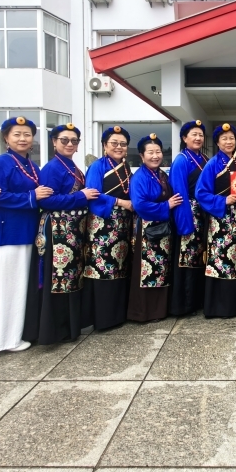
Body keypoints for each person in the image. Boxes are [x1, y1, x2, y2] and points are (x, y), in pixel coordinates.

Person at [0, 116, 52, 353]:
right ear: (6, 138)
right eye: (17, 134)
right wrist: (32, 197)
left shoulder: (31, 165)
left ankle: (18, 334)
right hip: (6, 233)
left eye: (27, 134)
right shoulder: (0, 163)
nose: (23, 138)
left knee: (21, 286)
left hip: (26, 231)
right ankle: (5, 340)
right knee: (6, 288)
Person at [34, 124, 99, 345]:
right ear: (54, 142)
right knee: (59, 279)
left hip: (72, 230)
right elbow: (46, 201)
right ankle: (57, 330)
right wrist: (80, 197)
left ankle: (71, 327)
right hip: (57, 230)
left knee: (71, 278)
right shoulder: (52, 168)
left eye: (74, 141)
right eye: (64, 140)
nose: (70, 144)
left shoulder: (72, 166)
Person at [83, 126, 133, 330]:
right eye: (114, 143)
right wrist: (120, 202)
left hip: (123, 224)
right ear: (105, 145)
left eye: (123, 144)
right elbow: (93, 193)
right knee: (103, 269)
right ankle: (103, 318)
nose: (119, 147)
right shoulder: (97, 166)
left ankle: (118, 315)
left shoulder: (126, 167)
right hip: (103, 224)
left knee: (120, 267)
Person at [128, 133, 181, 322]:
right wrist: (167, 205)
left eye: (158, 151)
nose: (155, 156)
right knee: (147, 270)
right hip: (148, 231)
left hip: (163, 229)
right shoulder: (139, 177)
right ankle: (144, 312)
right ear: (142, 156)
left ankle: (160, 310)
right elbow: (140, 205)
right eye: (150, 152)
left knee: (161, 269)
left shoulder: (161, 174)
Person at [196, 123, 236, 318]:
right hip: (220, 220)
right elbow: (201, 193)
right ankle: (218, 307)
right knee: (220, 261)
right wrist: (223, 200)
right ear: (217, 142)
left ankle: (234, 306)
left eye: (231, 138)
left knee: (235, 260)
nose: (228, 142)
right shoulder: (212, 164)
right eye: (224, 139)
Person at [169, 120, 209, 316]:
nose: (198, 138)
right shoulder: (181, 160)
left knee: (200, 258)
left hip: (203, 213)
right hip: (188, 213)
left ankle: (198, 300)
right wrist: (185, 224)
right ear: (184, 138)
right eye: (194, 134)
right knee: (187, 260)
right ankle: (185, 304)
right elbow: (179, 194)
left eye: (201, 135)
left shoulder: (205, 159)